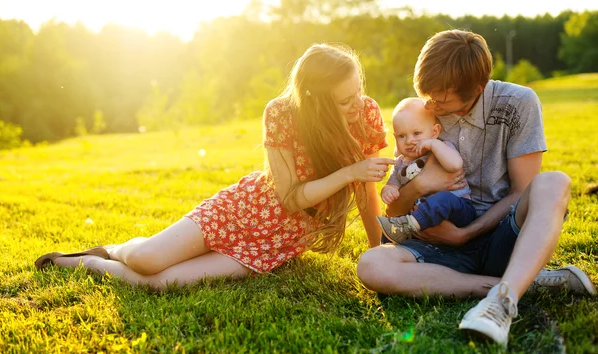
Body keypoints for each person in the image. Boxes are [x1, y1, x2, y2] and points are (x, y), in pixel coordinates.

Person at [35, 43, 395, 290]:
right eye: (345, 99)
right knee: (146, 259)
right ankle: (113, 250)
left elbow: (366, 191)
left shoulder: (366, 113)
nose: (357, 103)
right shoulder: (281, 113)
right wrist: (349, 172)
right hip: (243, 210)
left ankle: (94, 264)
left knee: (162, 282)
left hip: (276, 241)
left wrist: (378, 249)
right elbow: (289, 198)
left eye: (358, 90)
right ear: (316, 102)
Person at [356, 29, 597, 347]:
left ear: (476, 90)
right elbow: (396, 209)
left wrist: (466, 234)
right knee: (371, 265)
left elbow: (521, 193)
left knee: (554, 182)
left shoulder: (517, 104)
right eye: (426, 93)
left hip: (500, 235)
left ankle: (502, 304)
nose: (430, 103)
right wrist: (420, 187)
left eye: (440, 99)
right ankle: (513, 284)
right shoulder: (423, 114)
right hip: (436, 243)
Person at [377, 97, 477, 244]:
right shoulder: (400, 163)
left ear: (435, 131)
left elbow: (455, 165)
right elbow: (393, 184)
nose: (409, 140)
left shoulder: (441, 148)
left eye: (416, 133)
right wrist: (388, 190)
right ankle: (387, 246)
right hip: (421, 211)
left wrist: (432, 144)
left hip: (457, 208)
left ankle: (411, 225)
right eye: (402, 136)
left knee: (443, 199)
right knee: (391, 223)